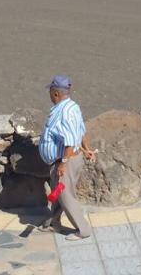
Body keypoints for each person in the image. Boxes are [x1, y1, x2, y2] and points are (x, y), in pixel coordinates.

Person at [36, 75, 94, 240]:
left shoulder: (63, 112)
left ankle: (83, 230)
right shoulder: (72, 107)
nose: (49, 95)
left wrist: (63, 164)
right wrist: (87, 149)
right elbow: (81, 130)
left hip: (64, 161)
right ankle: (52, 223)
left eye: (50, 92)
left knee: (66, 196)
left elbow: (69, 141)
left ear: (55, 94)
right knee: (58, 192)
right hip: (71, 159)